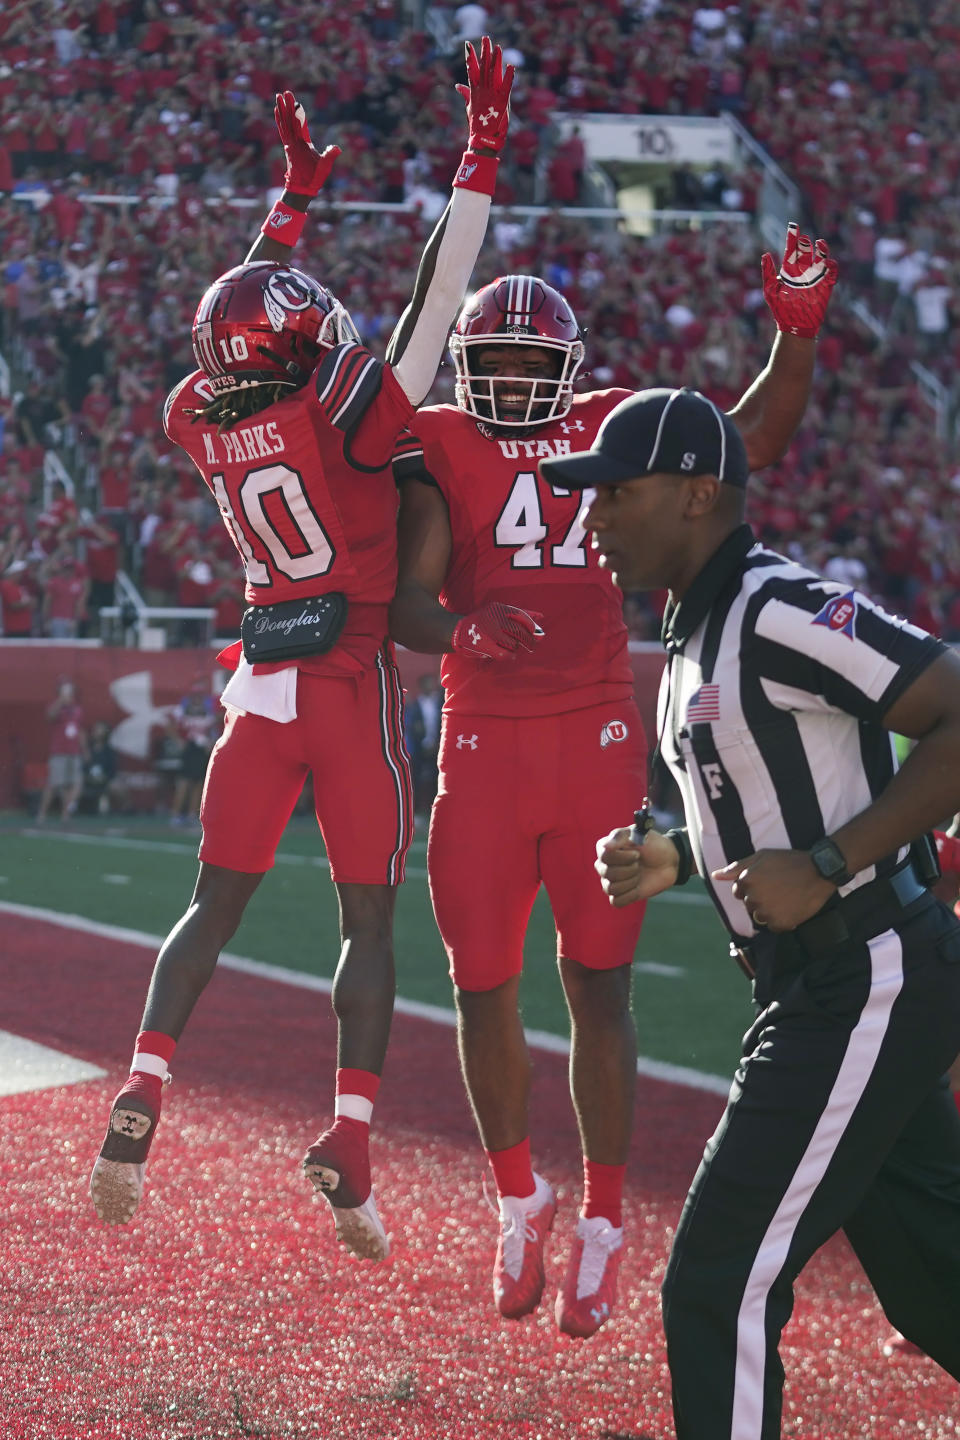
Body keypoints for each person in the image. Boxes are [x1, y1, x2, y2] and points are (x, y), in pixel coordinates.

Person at [88, 42, 515, 1263]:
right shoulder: (350, 410)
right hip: (349, 683)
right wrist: (478, 158)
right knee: (367, 927)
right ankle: (351, 1134)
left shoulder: (192, 412)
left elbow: (238, 320)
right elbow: (434, 298)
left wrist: (293, 208)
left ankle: (145, 1085)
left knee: (208, 908)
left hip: (255, 686)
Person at [388, 226, 838, 1334]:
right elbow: (408, 599)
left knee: (600, 983)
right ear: (464, 368)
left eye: (531, 368)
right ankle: (515, 1197)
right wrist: (466, 622)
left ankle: (602, 1220)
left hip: (592, 738)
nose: (509, 385)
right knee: (480, 983)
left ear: (570, 371)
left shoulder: (617, 425)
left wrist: (795, 335)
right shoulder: (443, 443)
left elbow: (754, 442)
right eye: (491, 364)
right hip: (485, 745)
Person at [559, 387, 960, 1434]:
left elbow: (954, 704)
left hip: (862, 970)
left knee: (715, 1284)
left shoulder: (778, 610)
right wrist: (678, 859)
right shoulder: (692, 638)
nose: (592, 515)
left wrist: (831, 862)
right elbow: (770, 810)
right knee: (936, 1289)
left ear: (700, 495)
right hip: (830, 979)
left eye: (616, 491)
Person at [37, 677, 86, 822]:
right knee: (54, 783)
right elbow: (50, 717)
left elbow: (80, 730)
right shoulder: (55, 706)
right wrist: (60, 701)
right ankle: (42, 813)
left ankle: (66, 813)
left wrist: (85, 748)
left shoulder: (77, 709)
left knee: (75, 783)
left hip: (74, 751)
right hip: (59, 751)